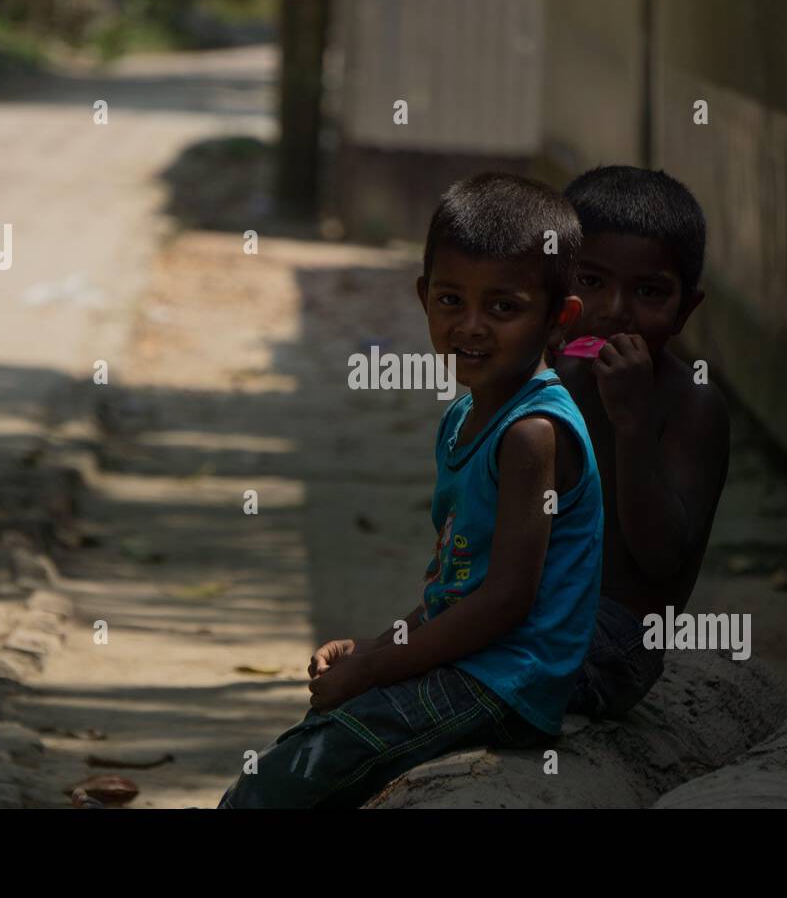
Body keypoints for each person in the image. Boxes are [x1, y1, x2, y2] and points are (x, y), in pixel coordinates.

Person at [218, 173, 604, 807]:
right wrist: (376, 645)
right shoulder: (464, 417)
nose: (471, 326)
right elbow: (459, 584)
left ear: (559, 318)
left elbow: (506, 600)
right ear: (425, 296)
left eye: (503, 307)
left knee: (287, 779)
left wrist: (375, 668)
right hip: (475, 662)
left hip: (506, 682)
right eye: (452, 300)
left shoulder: (534, 432)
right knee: (312, 739)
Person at [553, 166, 731, 720]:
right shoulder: (543, 378)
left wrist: (632, 423)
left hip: (615, 646)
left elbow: (660, 558)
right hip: (534, 617)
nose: (614, 310)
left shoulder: (692, 405)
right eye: (590, 281)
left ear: (685, 311)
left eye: (649, 292)